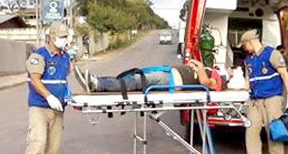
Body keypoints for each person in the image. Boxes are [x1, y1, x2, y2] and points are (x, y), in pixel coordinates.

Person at [22, 22, 71, 154]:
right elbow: (35, 80)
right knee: (38, 142)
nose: (63, 40)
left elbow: (64, 78)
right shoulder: (38, 56)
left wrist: (66, 95)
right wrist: (49, 96)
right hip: (40, 106)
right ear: (51, 36)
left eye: (65, 37)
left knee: (53, 147)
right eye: (60, 37)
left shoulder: (65, 57)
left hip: (58, 109)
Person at [240, 30, 288, 154]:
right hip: (255, 101)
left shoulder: (272, 54)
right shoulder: (248, 60)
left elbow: (284, 74)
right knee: (251, 132)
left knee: (273, 132)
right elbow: (247, 82)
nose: (244, 49)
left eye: (244, 46)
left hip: (272, 99)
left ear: (249, 42)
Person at [74, 59, 229, 93]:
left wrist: (200, 67)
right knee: (134, 78)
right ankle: (97, 81)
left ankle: (98, 84)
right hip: (168, 75)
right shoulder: (212, 71)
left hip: (169, 80)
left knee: (136, 81)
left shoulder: (218, 79)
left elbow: (206, 82)